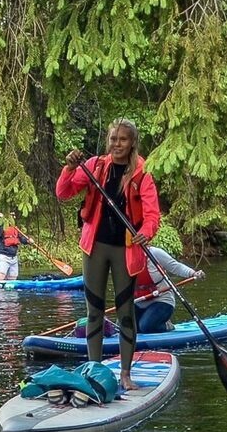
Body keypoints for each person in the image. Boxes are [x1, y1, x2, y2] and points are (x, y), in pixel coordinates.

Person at [56, 119, 161, 390]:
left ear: (132, 143)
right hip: (95, 248)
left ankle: (125, 374)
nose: (117, 144)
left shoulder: (142, 173)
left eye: (123, 140)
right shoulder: (94, 166)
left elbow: (152, 216)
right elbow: (63, 192)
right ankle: (94, 371)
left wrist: (146, 232)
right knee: (95, 312)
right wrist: (68, 168)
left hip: (126, 250)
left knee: (126, 312)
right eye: (113, 139)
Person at [133, 245, 203, 334]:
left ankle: (167, 326)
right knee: (126, 328)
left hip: (162, 299)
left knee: (145, 327)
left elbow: (176, 267)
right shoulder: (121, 257)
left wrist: (193, 273)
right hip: (137, 302)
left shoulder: (154, 253)